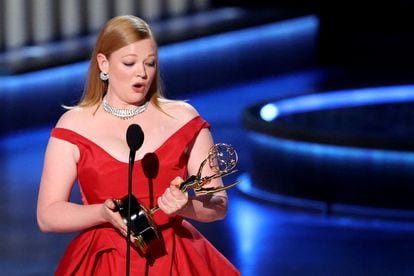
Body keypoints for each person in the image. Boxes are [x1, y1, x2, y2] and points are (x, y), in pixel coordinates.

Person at [37, 15, 240, 275]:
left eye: (150, 63)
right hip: (106, 261)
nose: (142, 73)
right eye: (129, 63)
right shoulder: (74, 124)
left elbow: (218, 204)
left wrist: (185, 206)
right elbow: (48, 214)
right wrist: (102, 213)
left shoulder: (184, 119)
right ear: (104, 63)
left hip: (174, 260)